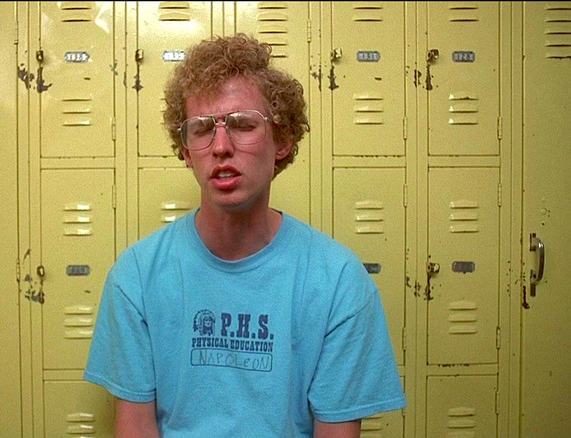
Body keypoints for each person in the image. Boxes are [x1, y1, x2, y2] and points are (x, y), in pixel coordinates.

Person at [84, 33, 407, 437]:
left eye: (243, 125)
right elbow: (135, 428)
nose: (220, 146)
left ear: (283, 141)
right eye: (201, 129)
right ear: (185, 151)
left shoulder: (338, 281)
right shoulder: (137, 276)